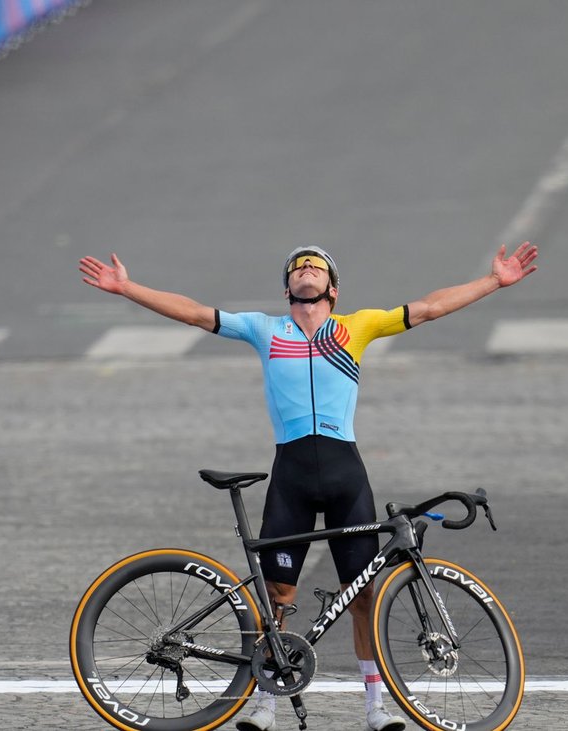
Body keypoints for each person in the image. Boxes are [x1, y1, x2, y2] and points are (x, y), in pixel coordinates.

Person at [79, 242, 538, 731]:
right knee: (277, 596)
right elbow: (194, 313)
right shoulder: (264, 329)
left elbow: (428, 308)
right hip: (291, 475)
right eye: (298, 267)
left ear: (332, 289)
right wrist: (127, 288)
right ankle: (264, 705)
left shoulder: (356, 327)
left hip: (346, 474)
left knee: (363, 595)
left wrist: (494, 282)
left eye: (316, 267)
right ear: (287, 288)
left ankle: (375, 709)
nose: (306, 271)